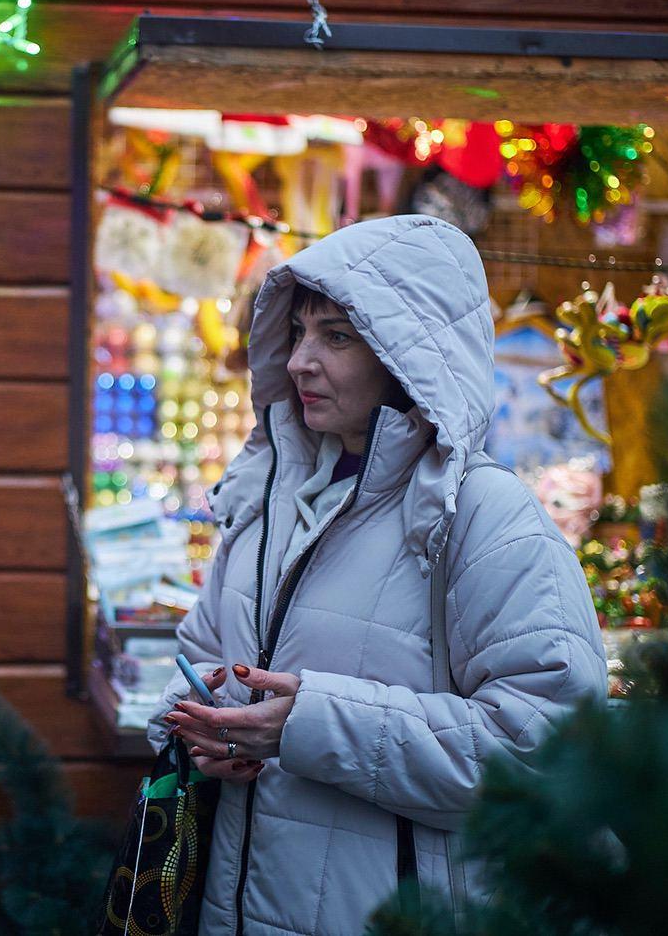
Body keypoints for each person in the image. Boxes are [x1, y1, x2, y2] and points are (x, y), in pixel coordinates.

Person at [148, 214, 607, 935]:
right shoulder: (268, 500)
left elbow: (548, 751)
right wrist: (194, 724)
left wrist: (309, 723)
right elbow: (202, 655)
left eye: (335, 335)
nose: (300, 360)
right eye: (297, 332)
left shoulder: (485, 518)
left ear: (408, 353)